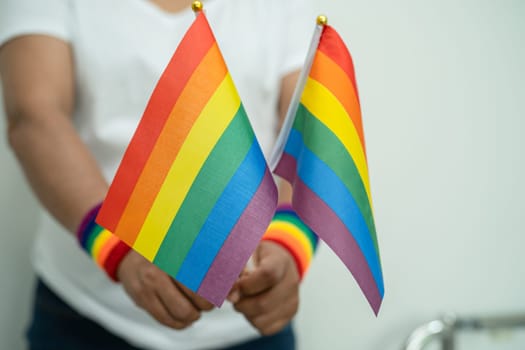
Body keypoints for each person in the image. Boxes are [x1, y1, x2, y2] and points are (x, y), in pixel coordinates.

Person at [0, 0, 319, 349]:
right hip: (86, 313)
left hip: (246, 322)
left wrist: (290, 246)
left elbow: (308, 135)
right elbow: (35, 116)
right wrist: (118, 250)